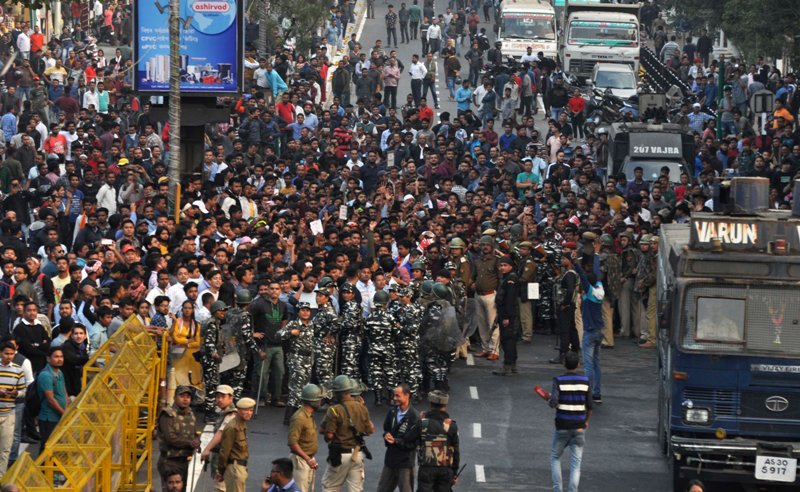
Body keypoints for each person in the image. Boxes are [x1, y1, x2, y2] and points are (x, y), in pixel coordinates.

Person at [320, 374, 374, 492]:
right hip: (357, 454)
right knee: (356, 489)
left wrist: (327, 436)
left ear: (337, 392)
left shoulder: (334, 409)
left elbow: (328, 435)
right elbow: (370, 430)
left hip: (340, 454)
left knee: (330, 487)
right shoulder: (362, 408)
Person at [548, 351, 592, 492]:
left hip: (562, 425)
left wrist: (549, 399)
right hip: (579, 427)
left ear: (564, 364)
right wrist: (586, 421)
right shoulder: (585, 381)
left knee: (555, 457)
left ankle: (558, 489)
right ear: (578, 364)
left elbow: (554, 403)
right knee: (576, 464)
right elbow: (589, 406)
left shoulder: (558, 380)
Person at [407, 390, 460, 491]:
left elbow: (408, 439)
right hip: (445, 470)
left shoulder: (422, 423)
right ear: (445, 406)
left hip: (426, 469)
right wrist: (454, 473)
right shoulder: (451, 426)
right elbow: (456, 451)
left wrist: (419, 420)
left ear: (431, 405)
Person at [377, 383, 419, 492]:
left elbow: (414, 443)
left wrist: (396, 441)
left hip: (405, 463)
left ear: (407, 395)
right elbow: (386, 428)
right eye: (394, 395)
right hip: (390, 460)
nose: (394, 398)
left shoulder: (415, 417)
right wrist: (386, 435)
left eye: (397, 396)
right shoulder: (392, 411)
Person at [278, 302, 315, 425]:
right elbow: (279, 334)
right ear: (298, 312)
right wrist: (290, 333)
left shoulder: (312, 324)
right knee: (295, 388)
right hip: (296, 358)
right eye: (302, 310)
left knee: (305, 388)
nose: (305, 312)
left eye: (307, 310)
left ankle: (301, 416)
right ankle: (289, 418)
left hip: (308, 359)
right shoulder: (293, 324)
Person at [157, 385, 199, 486]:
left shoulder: (190, 414)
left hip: (184, 461)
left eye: (188, 397)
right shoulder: (168, 414)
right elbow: (171, 438)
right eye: (182, 396)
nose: (185, 399)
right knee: (173, 489)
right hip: (170, 461)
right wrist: (190, 443)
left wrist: (197, 442)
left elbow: (194, 434)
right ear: (175, 397)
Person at [200, 385, 237, 492]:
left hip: (225, 460)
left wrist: (207, 449)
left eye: (223, 397)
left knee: (221, 488)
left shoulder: (231, 414)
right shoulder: (224, 412)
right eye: (218, 397)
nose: (219, 400)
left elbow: (220, 433)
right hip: (222, 457)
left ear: (231, 398)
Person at [287, 384, 322, 492]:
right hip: (301, 461)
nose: (320, 401)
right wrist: (308, 459)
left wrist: (310, 459)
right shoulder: (299, 418)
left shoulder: (308, 415)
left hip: (307, 459)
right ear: (312, 401)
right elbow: (292, 443)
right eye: (319, 399)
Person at [216, 397, 256, 492]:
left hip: (239, 468)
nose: (249, 413)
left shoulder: (241, 424)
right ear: (238, 410)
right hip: (235, 469)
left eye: (251, 410)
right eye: (246, 410)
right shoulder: (233, 427)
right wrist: (221, 471)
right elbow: (224, 451)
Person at [0, 341, 25, 474]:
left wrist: (15, 393)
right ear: (1, 353)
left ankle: (1, 476)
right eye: (6, 353)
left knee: (5, 448)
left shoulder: (18, 370)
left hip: (9, 413)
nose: (9, 356)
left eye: (11, 354)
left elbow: (23, 391)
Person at [201, 301, 229, 420]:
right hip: (210, 360)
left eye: (224, 310)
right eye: (221, 310)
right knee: (211, 386)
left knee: (212, 385)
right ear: (215, 311)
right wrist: (215, 355)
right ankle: (209, 412)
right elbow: (209, 343)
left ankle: (210, 408)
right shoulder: (212, 324)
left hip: (211, 360)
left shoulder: (216, 323)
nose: (223, 313)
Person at [492, 256, 519, 376]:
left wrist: (506, 317)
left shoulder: (510, 279)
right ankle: (512, 365)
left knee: (507, 340)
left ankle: (508, 366)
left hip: (508, 314)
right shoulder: (507, 277)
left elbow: (509, 299)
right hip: (505, 313)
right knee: (510, 340)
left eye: (505, 265)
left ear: (510, 266)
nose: (502, 268)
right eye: (501, 265)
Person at [37, 347, 67, 453]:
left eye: (61, 356)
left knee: (56, 448)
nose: (60, 359)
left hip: (59, 416)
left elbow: (64, 392)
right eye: (56, 357)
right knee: (47, 448)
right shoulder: (45, 375)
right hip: (49, 418)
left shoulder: (60, 372)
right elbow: (50, 400)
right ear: (48, 359)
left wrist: (66, 409)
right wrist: (64, 413)